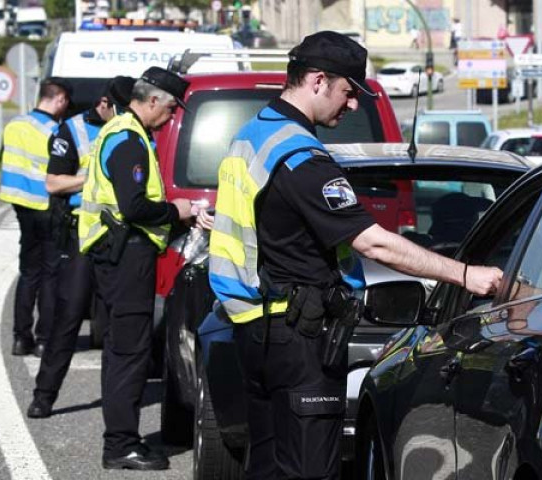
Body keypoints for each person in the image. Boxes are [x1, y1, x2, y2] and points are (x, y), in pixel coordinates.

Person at [208, 30, 502, 479]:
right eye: (348, 92)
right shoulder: (302, 158)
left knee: (267, 467)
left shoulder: (254, 134)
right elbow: (373, 242)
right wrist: (465, 274)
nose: (351, 106)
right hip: (298, 338)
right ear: (318, 80)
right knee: (308, 472)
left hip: (255, 330)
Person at [77, 67, 201, 470]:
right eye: (170, 109)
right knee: (129, 353)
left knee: (119, 351)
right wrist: (177, 211)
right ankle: (120, 446)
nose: (171, 117)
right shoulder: (129, 140)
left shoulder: (118, 131)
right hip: (126, 257)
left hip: (115, 256)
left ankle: (121, 439)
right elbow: (134, 207)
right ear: (152, 101)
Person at [26, 76, 135, 420]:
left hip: (121, 236)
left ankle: (116, 406)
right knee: (68, 316)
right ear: (103, 103)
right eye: (116, 109)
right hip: (82, 237)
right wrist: (94, 178)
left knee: (120, 323)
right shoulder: (72, 131)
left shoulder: (129, 130)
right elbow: (54, 182)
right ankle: (44, 395)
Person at [0, 77, 72, 357]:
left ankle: (20, 337)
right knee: (51, 274)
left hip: (20, 204)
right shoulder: (56, 130)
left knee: (28, 272)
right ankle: (44, 340)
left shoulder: (14, 124)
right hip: (47, 205)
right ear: (60, 99)